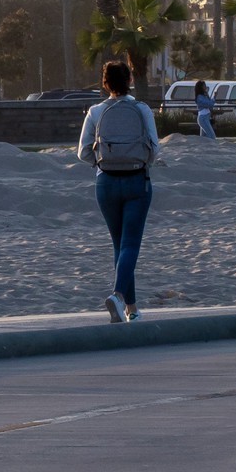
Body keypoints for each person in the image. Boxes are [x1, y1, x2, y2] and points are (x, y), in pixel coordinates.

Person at [79, 60, 160, 321]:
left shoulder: (95, 112)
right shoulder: (141, 109)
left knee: (119, 245)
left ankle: (131, 309)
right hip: (137, 180)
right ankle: (118, 295)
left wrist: (101, 163)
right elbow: (155, 149)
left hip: (106, 183)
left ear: (105, 84)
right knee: (131, 244)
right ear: (129, 81)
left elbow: (82, 152)